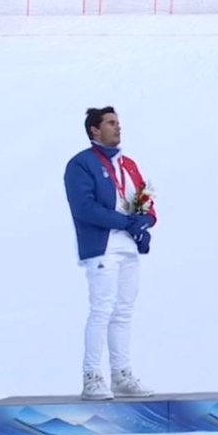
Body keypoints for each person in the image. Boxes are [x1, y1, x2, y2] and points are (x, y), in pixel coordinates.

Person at [64, 106, 157, 400]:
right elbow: (85, 208)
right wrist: (126, 222)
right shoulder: (81, 164)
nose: (118, 128)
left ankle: (121, 375)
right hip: (102, 247)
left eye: (119, 123)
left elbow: (146, 199)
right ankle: (92, 376)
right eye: (111, 123)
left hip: (128, 247)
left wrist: (145, 221)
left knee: (124, 312)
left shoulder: (128, 164)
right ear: (94, 129)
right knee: (102, 309)